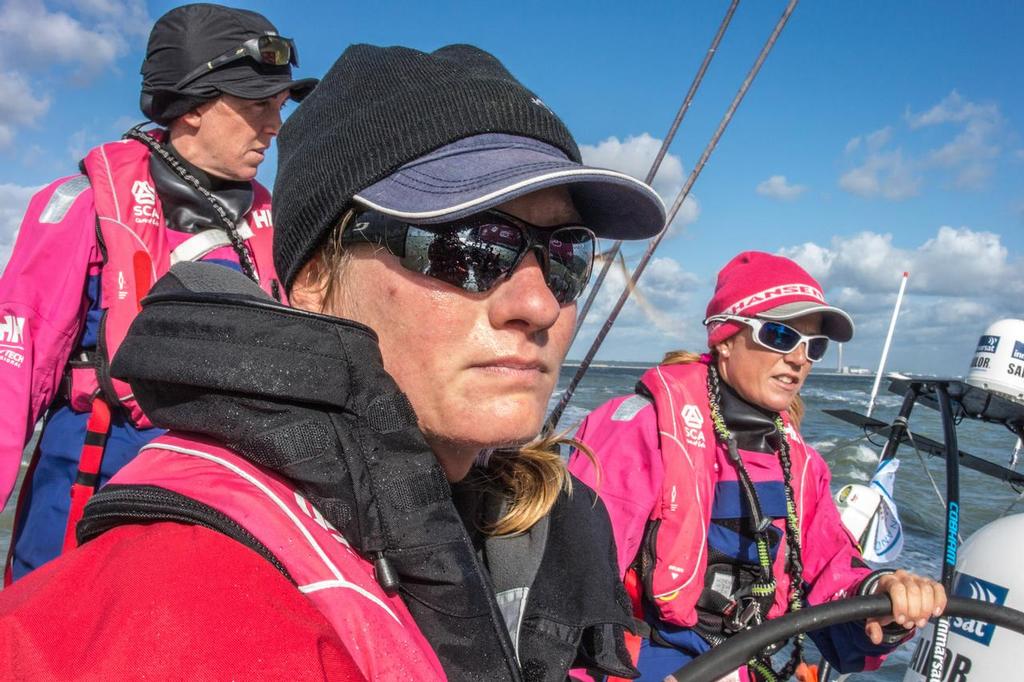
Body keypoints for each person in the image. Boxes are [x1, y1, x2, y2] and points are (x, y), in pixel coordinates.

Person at [0, 44, 667, 681]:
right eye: (469, 247)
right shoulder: (184, 598)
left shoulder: (543, 522)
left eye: (565, 255)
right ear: (315, 276)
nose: (539, 304)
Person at [0, 3, 316, 581]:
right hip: (85, 507)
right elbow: (9, 379)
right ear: (190, 106)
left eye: (277, 106)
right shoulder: (81, 207)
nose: (274, 125)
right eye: (254, 106)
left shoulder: (279, 227)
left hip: (227, 513)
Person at [568, 251, 948, 681]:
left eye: (814, 345)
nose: (799, 358)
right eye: (781, 336)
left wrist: (885, 598)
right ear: (725, 337)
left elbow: (830, 576)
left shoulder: (803, 467)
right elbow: (571, 589)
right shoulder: (640, 427)